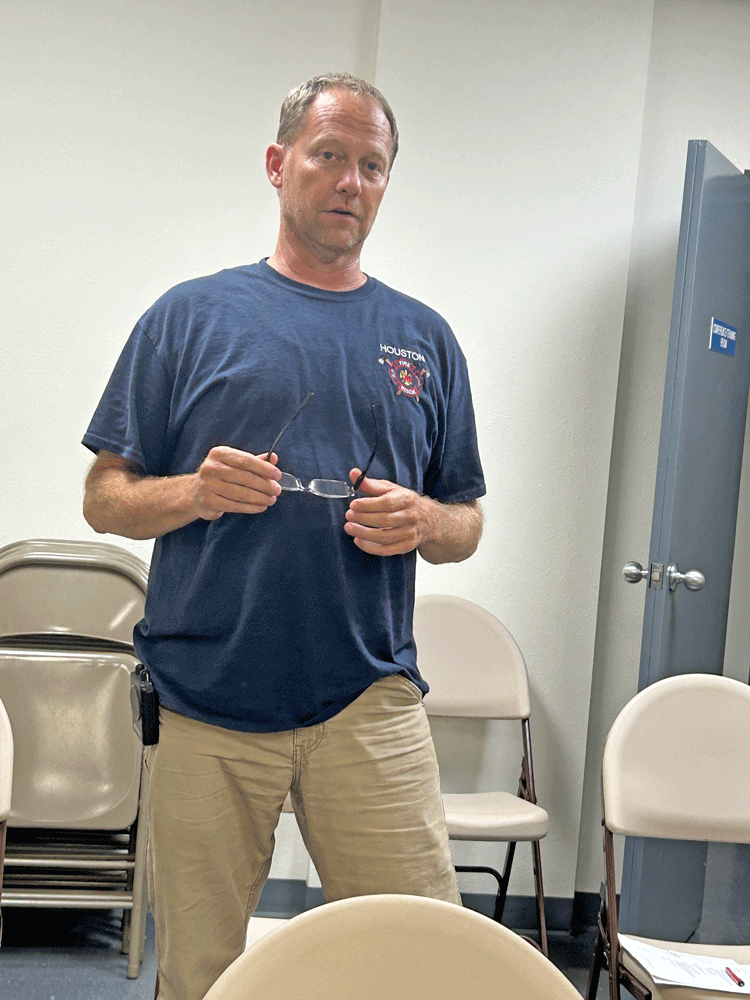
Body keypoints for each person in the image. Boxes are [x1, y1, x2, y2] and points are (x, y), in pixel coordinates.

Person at [82, 72, 485, 1000]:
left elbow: (464, 522)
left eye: (373, 166)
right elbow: (105, 499)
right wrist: (193, 491)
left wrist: (425, 520)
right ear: (278, 164)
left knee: (424, 965)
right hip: (205, 698)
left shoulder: (424, 340)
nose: (351, 182)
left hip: (368, 697)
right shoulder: (189, 318)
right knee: (203, 974)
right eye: (330, 156)